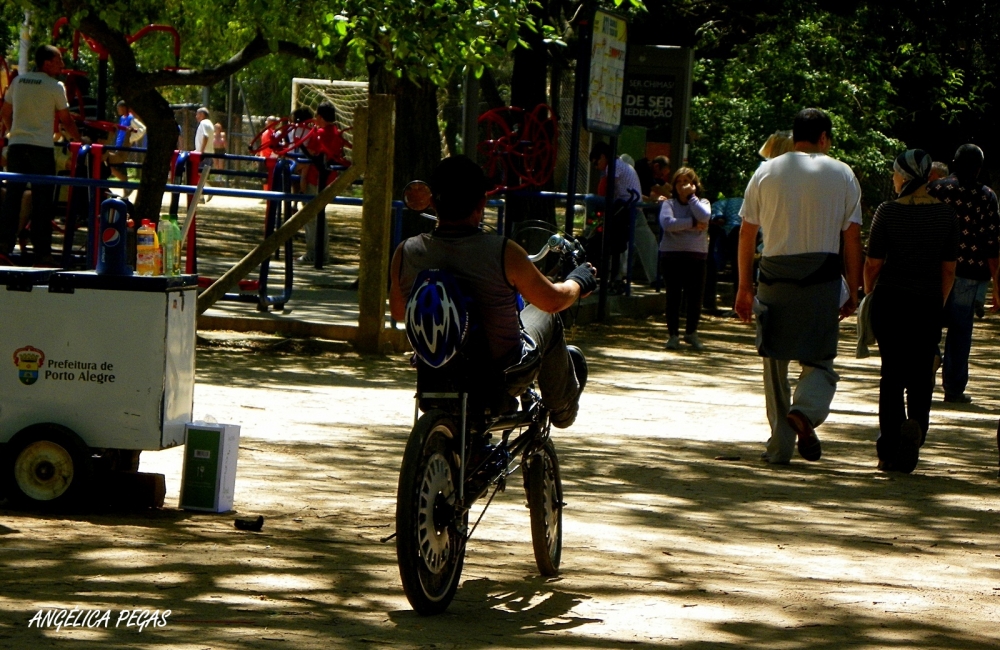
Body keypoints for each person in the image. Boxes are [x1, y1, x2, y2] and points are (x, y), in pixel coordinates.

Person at [390, 155, 595, 429]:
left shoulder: (406, 252)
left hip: (435, 373)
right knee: (546, 318)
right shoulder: (503, 251)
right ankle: (563, 408)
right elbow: (553, 301)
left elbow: (400, 312)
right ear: (481, 203)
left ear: (433, 203)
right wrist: (579, 281)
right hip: (502, 374)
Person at [735, 108, 863, 465]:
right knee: (820, 360)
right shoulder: (842, 173)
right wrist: (854, 289)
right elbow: (851, 237)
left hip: (774, 277)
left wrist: (744, 287)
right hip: (821, 278)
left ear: (795, 135)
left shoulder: (765, 172)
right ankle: (805, 412)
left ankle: (779, 447)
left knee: (774, 364)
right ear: (824, 138)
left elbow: (747, 233)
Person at [864, 149, 957, 473]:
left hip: (891, 302)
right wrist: (939, 301)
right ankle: (916, 428)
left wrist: (869, 294)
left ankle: (888, 448)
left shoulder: (887, 212)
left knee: (891, 376)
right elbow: (948, 270)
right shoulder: (946, 215)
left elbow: (873, 264)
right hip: (927, 302)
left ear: (902, 175)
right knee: (921, 376)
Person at [927, 144, 1000, 403]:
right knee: (960, 330)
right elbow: (991, 242)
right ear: (979, 168)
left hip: (933, 268)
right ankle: (954, 388)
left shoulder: (935, 189)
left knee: (927, 322)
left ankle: (925, 365)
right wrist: (997, 284)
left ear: (953, 162)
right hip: (969, 271)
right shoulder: (986, 196)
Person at [0, 45, 81, 268]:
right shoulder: (55, 86)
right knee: (42, 202)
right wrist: (79, 141)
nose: (63, 65)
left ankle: (3, 247)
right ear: (47, 63)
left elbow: (5, 113)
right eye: (59, 61)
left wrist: (13, 132)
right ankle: (42, 254)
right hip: (41, 149)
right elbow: (66, 119)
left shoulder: (18, 82)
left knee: (12, 199)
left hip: (17, 146)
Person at [659, 167, 711, 350]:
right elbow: (667, 224)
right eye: (679, 182)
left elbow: (704, 216)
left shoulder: (702, 202)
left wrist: (691, 198)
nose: (682, 186)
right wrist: (693, 224)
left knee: (695, 297)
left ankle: (691, 333)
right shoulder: (669, 204)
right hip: (671, 256)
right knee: (673, 296)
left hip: (696, 256)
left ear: (694, 185)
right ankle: (673, 335)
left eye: (686, 182)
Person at [299, 102, 351, 264]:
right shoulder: (336, 134)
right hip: (330, 180)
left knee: (310, 217)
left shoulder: (318, 134)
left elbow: (310, 159)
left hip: (315, 179)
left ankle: (313, 253)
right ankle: (323, 253)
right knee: (320, 216)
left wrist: (302, 177)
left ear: (320, 117)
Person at [589, 141, 642, 287]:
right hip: (627, 207)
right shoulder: (620, 164)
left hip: (627, 209)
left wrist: (599, 203)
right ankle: (615, 276)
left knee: (589, 200)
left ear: (603, 157)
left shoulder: (614, 166)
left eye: (596, 163)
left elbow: (605, 189)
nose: (596, 167)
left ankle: (613, 276)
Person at [106, 100, 145, 196]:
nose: (117, 110)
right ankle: (126, 191)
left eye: (119, 108)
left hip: (124, 146)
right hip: (119, 146)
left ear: (123, 108)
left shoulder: (131, 118)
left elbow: (142, 129)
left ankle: (126, 190)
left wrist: (131, 139)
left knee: (110, 165)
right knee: (119, 170)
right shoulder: (122, 118)